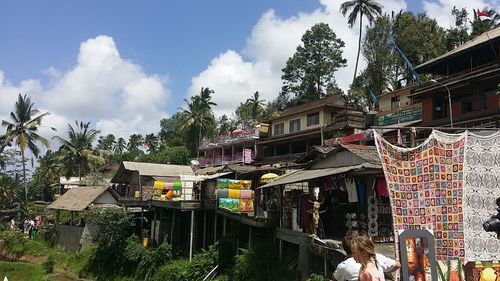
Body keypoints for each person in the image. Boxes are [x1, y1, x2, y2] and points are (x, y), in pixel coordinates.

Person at [332, 235, 400, 281]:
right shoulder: (364, 267)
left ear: (364, 253)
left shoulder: (368, 272)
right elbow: (397, 265)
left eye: (355, 253)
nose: (353, 256)